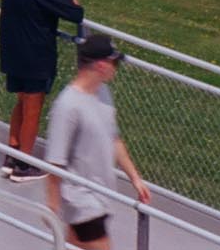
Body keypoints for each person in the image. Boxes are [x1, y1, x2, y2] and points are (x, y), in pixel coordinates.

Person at [45, 34, 150, 249]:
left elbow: (114, 139)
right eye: (114, 63)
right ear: (101, 65)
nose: (116, 68)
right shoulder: (67, 106)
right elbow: (55, 162)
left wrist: (135, 179)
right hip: (81, 200)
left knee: (73, 244)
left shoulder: (103, 93)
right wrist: (53, 207)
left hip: (101, 195)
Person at [0, 0, 84, 182]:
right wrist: (74, 4)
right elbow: (75, 13)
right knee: (33, 108)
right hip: (36, 55)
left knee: (22, 102)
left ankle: (11, 153)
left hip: (12, 50)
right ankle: (24, 165)